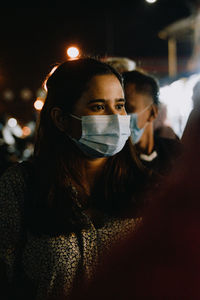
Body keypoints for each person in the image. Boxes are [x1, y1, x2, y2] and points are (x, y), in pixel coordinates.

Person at [0, 57, 148, 300]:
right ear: (61, 119)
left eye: (120, 105)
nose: (115, 117)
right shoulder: (19, 186)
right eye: (98, 107)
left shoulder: (148, 187)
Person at [122, 70, 182, 176]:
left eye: (128, 109)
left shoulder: (175, 154)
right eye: (118, 108)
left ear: (153, 113)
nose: (121, 117)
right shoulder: (113, 164)